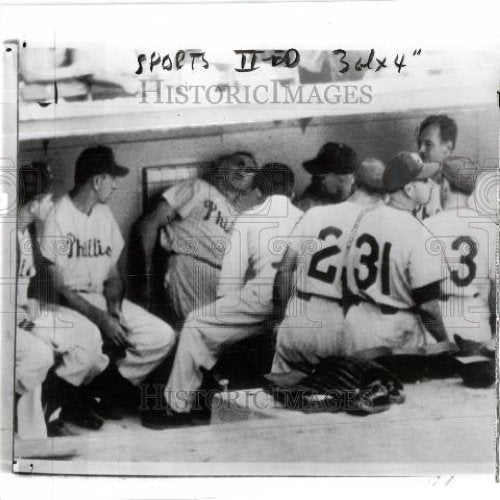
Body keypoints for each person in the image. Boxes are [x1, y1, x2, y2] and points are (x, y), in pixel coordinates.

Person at [141, 163, 303, 429]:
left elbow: (230, 281)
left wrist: (228, 316)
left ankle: (175, 407)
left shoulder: (249, 217)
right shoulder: (304, 217)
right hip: (299, 301)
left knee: (195, 324)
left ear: (260, 192)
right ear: (292, 191)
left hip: (263, 295)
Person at [39, 146, 176, 418]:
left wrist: (113, 307)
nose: (115, 185)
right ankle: (68, 401)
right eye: (112, 178)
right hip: (62, 302)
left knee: (161, 335)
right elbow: (58, 288)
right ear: (97, 180)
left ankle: (103, 391)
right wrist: (102, 319)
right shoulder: (57, 216)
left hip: (99, 297)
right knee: (90, 342)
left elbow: (113, 274)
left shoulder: (103, 214)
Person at [15, 161, 107, 437]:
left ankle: (55, 404)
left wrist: (33, 302)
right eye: (46, 199)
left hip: (26, 310)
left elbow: (37, 274)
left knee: (88, 334)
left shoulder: (28, 230)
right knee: (41, 352)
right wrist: (25, 321)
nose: (51, 203)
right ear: (33, 204)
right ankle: (26, 416)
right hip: (9, 319)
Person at [272, 159, 387, 374]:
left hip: (302, 317)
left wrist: (280, 319)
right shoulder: (382, 223)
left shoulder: (316, 214)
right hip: (345, 324)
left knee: (281, 398)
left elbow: (284, 270)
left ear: (353, 182)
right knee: (341, 399)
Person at [343, 152, 450, 353]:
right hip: (395, 331)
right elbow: (428, 306)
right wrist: (445, 341)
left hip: (357, 324)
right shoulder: (417, 231)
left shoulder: (364, 217)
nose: (430, 186)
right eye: (424, 181)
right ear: (409, 189)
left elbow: (345, 279)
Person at [138, 152, 257, 325]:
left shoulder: (242, 217)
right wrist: (144, 280)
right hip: (189, 270)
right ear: (220, 165)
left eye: (250, 169)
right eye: (239, 163)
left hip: (225, 286)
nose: (244, 170)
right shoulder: (198, 188)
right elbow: (147, 225)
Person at [425, 157, 496, 343]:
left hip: (436, 320)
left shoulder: (425, 226)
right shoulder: (490, 227)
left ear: (445, 185)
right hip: (475, 318)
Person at [295, 142, 358, 212]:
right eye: (316, 175)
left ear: (342, 180)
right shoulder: (309, 200)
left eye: (322, 176)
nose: (314, 179)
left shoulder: (361, 207)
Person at [416, 114, 458, 219]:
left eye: (428, 144)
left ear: (447, 148)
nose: (420, 150)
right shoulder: (410, 187)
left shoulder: (461, 191)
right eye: (419, 144)